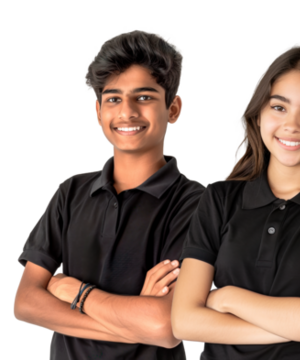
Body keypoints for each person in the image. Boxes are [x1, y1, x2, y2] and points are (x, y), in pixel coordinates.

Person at [11, 28, 201, 359]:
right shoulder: (72, 192)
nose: (127, 112)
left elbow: (165, 325)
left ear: (174, 108)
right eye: (114, 99)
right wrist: (133, 321)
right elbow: (25, 303)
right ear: (98, 111)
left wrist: (72, 290)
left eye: (144, 97)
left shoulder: (197, 204)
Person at [170, 42, 300, 359]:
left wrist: (225, 298)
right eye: (279, 107)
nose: (293, 124)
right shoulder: (219, 199)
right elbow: (184, 321)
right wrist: (292, 324)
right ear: (259, 114)